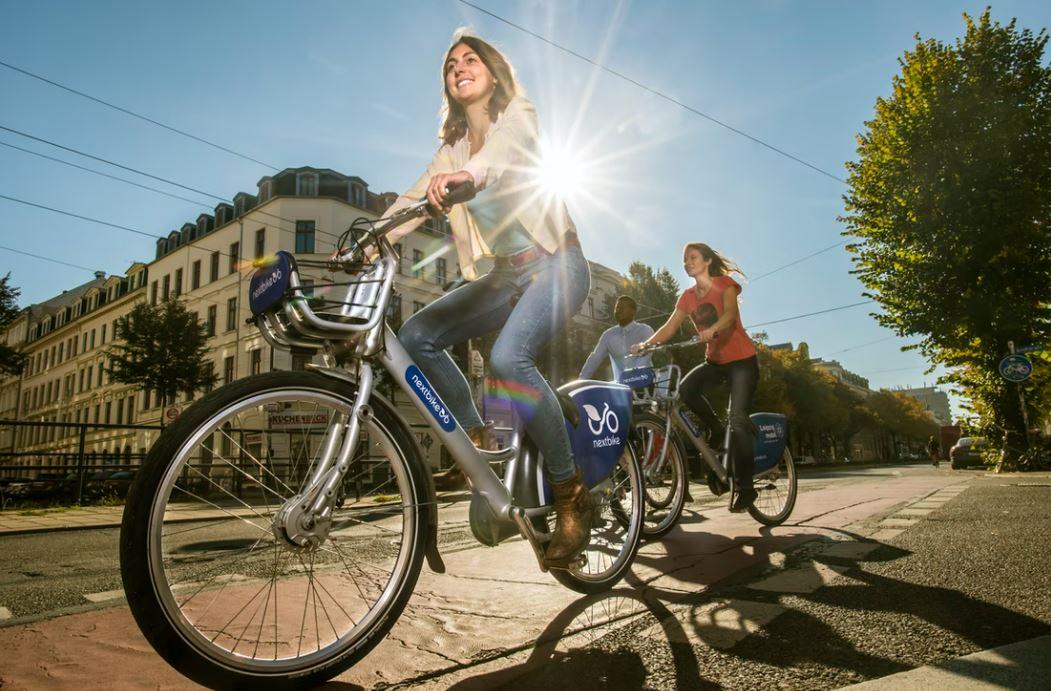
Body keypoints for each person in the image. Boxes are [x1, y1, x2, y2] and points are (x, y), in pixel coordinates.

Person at [381, 32, 592, 567]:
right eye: (451, 64)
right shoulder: (450, 149)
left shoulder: (516, 115)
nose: (459, 67)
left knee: (506, 360)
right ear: (449, 87)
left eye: (470, 59)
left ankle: (572, 494)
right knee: (415, 338)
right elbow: (410, 201)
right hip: (504, 276)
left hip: (556, 264)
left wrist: (468, 176)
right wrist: (371, 239)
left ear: (492, 74)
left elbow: (502, 155)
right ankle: (475, 437)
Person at [631, 243, 760, 512]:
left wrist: (712, 329)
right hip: (714, 362)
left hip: (742, 362)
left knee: (737, 417)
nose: (687, 263)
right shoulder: (688, 297)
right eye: (684, 259)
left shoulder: (724, 284)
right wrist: (646, 344)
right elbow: (669, 327)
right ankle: (716, 429)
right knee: (684, 392)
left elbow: (729, 316)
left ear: (708, 261)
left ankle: (746, 488)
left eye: (693, 258)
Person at [579, 296, 655, 380]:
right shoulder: (608, 335)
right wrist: (581, 380)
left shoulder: (645, 330)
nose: (618, 310)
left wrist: (633, 378)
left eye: (622, 307)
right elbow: (595, 359)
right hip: (621, 389)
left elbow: (644, 358)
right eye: (617, 308)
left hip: (645, 384)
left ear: (633, 311)